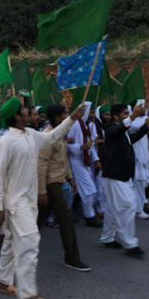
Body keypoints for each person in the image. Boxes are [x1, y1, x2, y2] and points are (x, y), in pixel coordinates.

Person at [0, 98, 84, 299]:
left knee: (11, 240)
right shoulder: (6, 141)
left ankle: (3, 281)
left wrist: (72, 119)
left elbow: (52, 136)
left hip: (28, 200)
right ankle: (29, 296)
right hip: (15, 203)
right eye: (25, 109)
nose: (30, 111)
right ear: (17, 115)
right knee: (30, 242)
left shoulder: (31, 135)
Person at [38, 104, 90, 272]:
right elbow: (41, 165)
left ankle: (19, 249)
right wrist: (42, 191)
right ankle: (72, 258)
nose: (67, 116)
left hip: (60, 181)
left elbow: (62, 159)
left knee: (36, 222)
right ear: (57, 117)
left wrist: (70, 178)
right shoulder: (48, 135)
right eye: (65, 114)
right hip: (51, 184)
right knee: (66, 219)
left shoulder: (60, 133)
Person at [99, 104, 149, 258]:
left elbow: (130, 139)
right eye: (125, 113)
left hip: (122, 175)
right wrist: (133, 117)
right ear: (116, 116)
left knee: (112, 209)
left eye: (128, 113)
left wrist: (144, 129)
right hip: (116, 175)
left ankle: (107, 238)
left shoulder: (121, 129)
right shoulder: (111, 127)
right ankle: (130, 244)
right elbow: (116, 131)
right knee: (127, 206)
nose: (128, 115)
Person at [66, 103, 103, 228]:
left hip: (85, 160)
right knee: (89, 190)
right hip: (76, 161)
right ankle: (89, 216)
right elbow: (65, 145)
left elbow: (89, 145)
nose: (91, 114)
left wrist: (96, 159)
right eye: (89, 111)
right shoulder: (75, 125)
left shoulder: (86, 125)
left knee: (83, 190)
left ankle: (73, 210)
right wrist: (80, 147)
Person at [129, 106, 149, 220]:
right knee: (139, 183)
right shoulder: (133, 123)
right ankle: (138, 210)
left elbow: (148, 131)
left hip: (143, 158)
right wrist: (146, 123)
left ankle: (137, 206)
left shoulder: (141, 121)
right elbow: (136, 126)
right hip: (136, 159)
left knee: (145, 182)